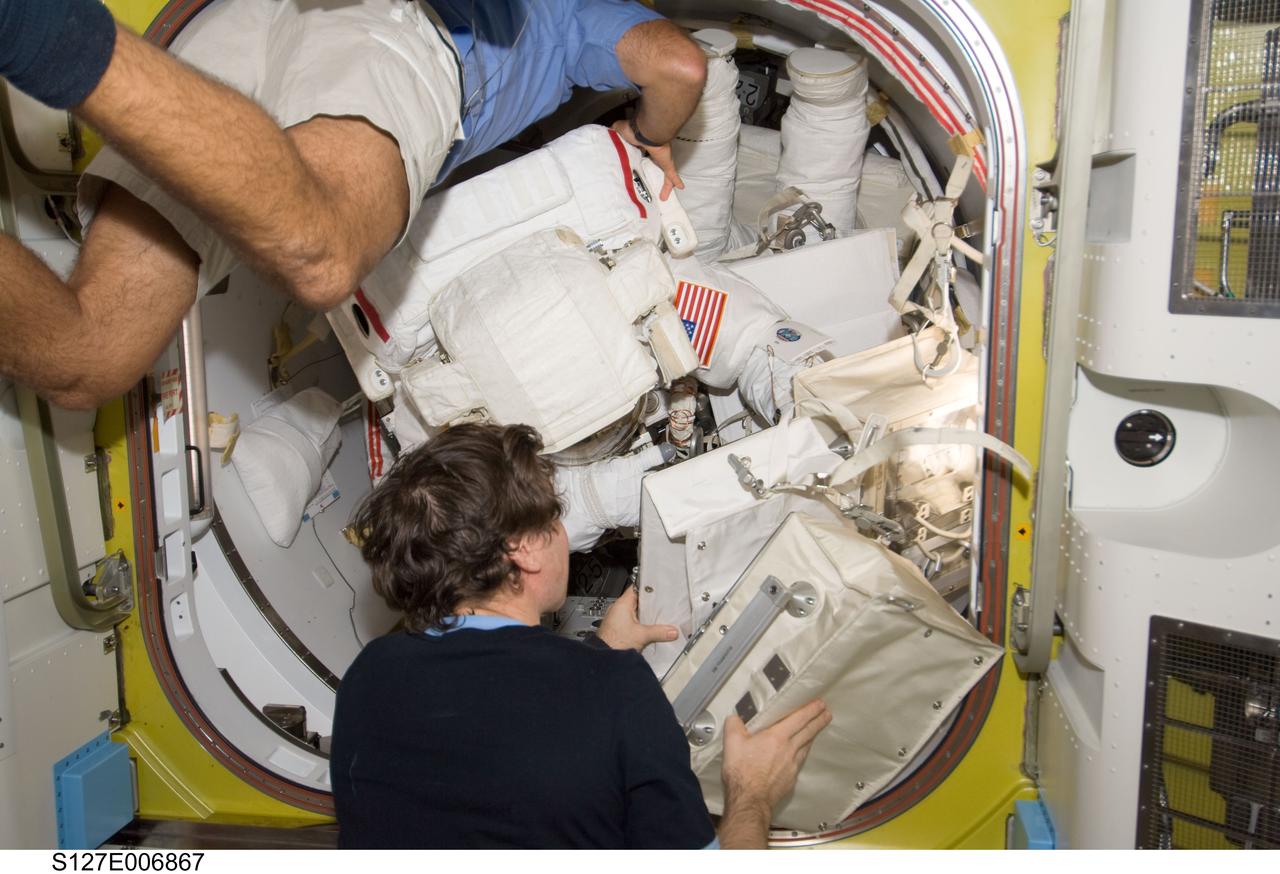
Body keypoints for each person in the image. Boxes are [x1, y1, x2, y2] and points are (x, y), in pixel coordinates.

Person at [0, 0, 706, 410]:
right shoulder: (589, 12)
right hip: (395, 43)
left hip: (239, 24)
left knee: (87, 360)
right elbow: (679, 65)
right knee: (325, 254)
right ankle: (40, 30)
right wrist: (650, 134)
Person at [330, 422, 832, 849]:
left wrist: (598, 657)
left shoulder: (371, 676)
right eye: (555, 516)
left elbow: (495, 744)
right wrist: (752, 794)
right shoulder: (618, 690)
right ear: (524, 549)